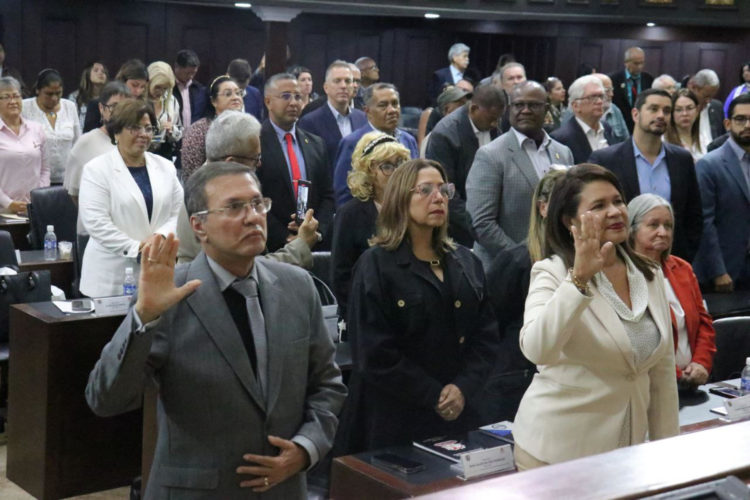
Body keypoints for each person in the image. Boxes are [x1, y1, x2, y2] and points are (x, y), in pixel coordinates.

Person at [85, 161, 347, 499]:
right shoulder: (169, 294)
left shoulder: (297, 286)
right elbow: (105, 400)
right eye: (235, 207)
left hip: (283, 488)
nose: (252, 216)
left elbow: (327, 384)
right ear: (199, 226)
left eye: (257, 204)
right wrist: (144, 315)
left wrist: (305, 448)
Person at [513, 163, 679, 470]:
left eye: (618, 201)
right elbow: (538, 350)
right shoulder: (551, 272)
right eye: (599, 206)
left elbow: (662, 372)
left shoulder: (650, 272)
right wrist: (578, 280)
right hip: (557, 452)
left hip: (627, 453)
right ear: (569, 221)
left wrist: (667, 453)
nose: (615, 211)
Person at [341, 159, 498, 453]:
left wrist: (462, 388)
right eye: (424, 190)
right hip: (394, 417)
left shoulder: (466, 261)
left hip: (459, 412)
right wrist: (434, 394)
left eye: (443, 190)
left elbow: (486, 337)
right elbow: (373, 353)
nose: (438, 198)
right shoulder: (375, 264)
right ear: (400, 199)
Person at [176, 110, 321, 268]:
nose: (259, 164)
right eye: (255, 158)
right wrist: (301, 245)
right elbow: (245, 269)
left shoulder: (208, 187)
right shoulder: (206, 201)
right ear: (230, 163)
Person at [482, 169, 565, 423]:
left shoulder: (591, 261)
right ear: (543, 208)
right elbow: (490, 324)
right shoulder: (516, 261)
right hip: (516, 383)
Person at [78, 100, 183, 297]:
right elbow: (96, 223)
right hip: (111, 277)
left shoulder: (165, 166)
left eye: (149, 128)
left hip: (158, 272)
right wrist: (139, 249)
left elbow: (178, 213)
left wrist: (160, 238)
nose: (144, 134)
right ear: (116, 132)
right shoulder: (96, 169)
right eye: (135, 128)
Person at [466, 81, 574, 269]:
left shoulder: (563, 152)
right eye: (518, 105)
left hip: (557, 265)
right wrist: (526, 259)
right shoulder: (491, 155)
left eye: (533, 105)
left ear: (546, 109)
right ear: (509, 109)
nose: (525, 110)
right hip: (506, 271)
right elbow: (481, 223)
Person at [589, 88, 703, 262]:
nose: (661, 115)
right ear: (635, 114)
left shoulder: (682, 159)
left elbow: (693, 214)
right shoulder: (606, 160)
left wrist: (684, 255)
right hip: (620, 260)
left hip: (669, 261)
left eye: (666, 111)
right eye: (653, 109)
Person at [628, 194, 716, 388]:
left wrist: (701, 363)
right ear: (632, 230)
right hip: (650, 385)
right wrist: (676, 375)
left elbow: (704, 322)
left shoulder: (682, 268)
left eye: (668, 226)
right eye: (653, 225)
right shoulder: (623, 274)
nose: (662, 232)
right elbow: (638, 340)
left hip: (693, 380)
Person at [331, 132, 410, 327]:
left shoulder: (413, 207)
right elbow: (341, 276)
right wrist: (361, 318)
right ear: (369, 171)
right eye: (387, 166)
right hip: (367, 316)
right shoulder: (350, 214)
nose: (396, 172)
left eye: (400, 164)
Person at [258, 73, 334, 252]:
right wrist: (285, 237)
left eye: (298, 96)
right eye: (285, 96)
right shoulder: (255, 142)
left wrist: (316, 232)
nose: (293, 102)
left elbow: (328, 196)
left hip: (313, 243)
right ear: (268, 101)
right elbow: (254, 199)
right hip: (270, 246)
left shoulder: (316, 143)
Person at [425, 84, 505, 246]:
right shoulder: (445, 135)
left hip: (493, 218)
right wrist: (481, 227)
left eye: (498, 119)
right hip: (460, 228)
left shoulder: (492, 124)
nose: (495, 124)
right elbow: (446, 192)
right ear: (474, 108)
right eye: (492, 119)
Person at [693, 93, 750, 292]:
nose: (747, 125)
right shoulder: (709, 165)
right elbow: (705, 223)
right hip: (725, 269)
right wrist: (718, 271)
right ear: (727, 123)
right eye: (740, 119)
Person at [333, 83, 418, 206]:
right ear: (367, 111)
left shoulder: (409, 140)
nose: (392, 110)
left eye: (395, 104)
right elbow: (343, 194)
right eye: (383, 105)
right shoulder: (352, 143)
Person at [64, 81, 131, 205]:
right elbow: (73, 194)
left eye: (125, 107)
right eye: (114, 106)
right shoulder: (86, 143)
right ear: (102, 108)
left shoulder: (133, 141)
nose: (120, 113)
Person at [298, 60, 367, 167]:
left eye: (348, 81)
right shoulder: (309, 122)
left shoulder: (362, 118)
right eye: (337, 81)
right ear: (326, 88)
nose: (343, 86)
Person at [22, 68, 80, 184]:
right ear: (38, 90)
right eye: (49, 94)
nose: (54, 98)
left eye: (58, 93)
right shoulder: (25, 107)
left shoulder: (70, 106)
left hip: (66, 179)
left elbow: (77, 142)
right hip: (34, 179)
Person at [180, 75, 245, 179]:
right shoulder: (199, 130)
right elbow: (191, 173)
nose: (236, 97)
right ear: (213, 101)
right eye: (228, 94)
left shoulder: (247, 128)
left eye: (238, 93)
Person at [0, 76, 47, 214]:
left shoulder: (37, 129)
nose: (13, 101)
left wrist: (40, 196)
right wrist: (8, 203)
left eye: (16, 96)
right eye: (6, 97)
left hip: (34, 208)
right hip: (3, 210)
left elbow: (45, 169)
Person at [551, 75, 614, 164]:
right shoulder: (561, 138)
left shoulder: (607, 128)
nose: (600, 102)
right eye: (592, 97)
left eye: (601, 96)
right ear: (576, 106)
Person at [83, 59, 149, 133]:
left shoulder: (145, 106)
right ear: (122, 81)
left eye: (143, 87)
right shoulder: (96, 105)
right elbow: (89, 137)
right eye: (134, 85)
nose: (138, 91)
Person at [609, 47, 654, 133]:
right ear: (626, 63)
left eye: (642, 63)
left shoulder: (648, 79)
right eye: (636, 63)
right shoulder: (614, 80)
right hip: (620, 126)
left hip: (642, 125)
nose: (640, 67)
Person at [146, 61, 183, 160]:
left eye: (165, 88)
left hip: (164, 155)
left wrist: (172, 129)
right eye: (157, 87)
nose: (161, 92)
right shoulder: (138, 100)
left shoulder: (172, 101)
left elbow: (180, 130)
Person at [664, 89, 704, 162]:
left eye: (689, 108)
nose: (684, 114)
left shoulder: (704, 138)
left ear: (697, 110)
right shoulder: (664, 141)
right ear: (672, 113)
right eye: (679, 110)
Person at [68, 61, 108, 132]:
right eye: (96, 70)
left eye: (103, 71)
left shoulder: (109, 98)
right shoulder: (75, 97)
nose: (101, 73)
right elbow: (71, 124)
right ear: (87, 74)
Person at [687, 69, 724, 143]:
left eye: (712, 96)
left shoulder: (717, 107)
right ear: (694, 87)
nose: (709, 101)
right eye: (706, 96)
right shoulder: (682, 109)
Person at [173, 49, 207, 129]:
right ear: (176, 66)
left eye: (194, 73)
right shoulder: (168, 88)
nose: (191, 76)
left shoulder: (199, 89)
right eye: (187, 73)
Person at [594, 73, 630, 144]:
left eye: (612, 90)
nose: (611, 94)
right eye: (607, 91)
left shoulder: (614, 109)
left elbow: (626, 141)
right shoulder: (581, 111)